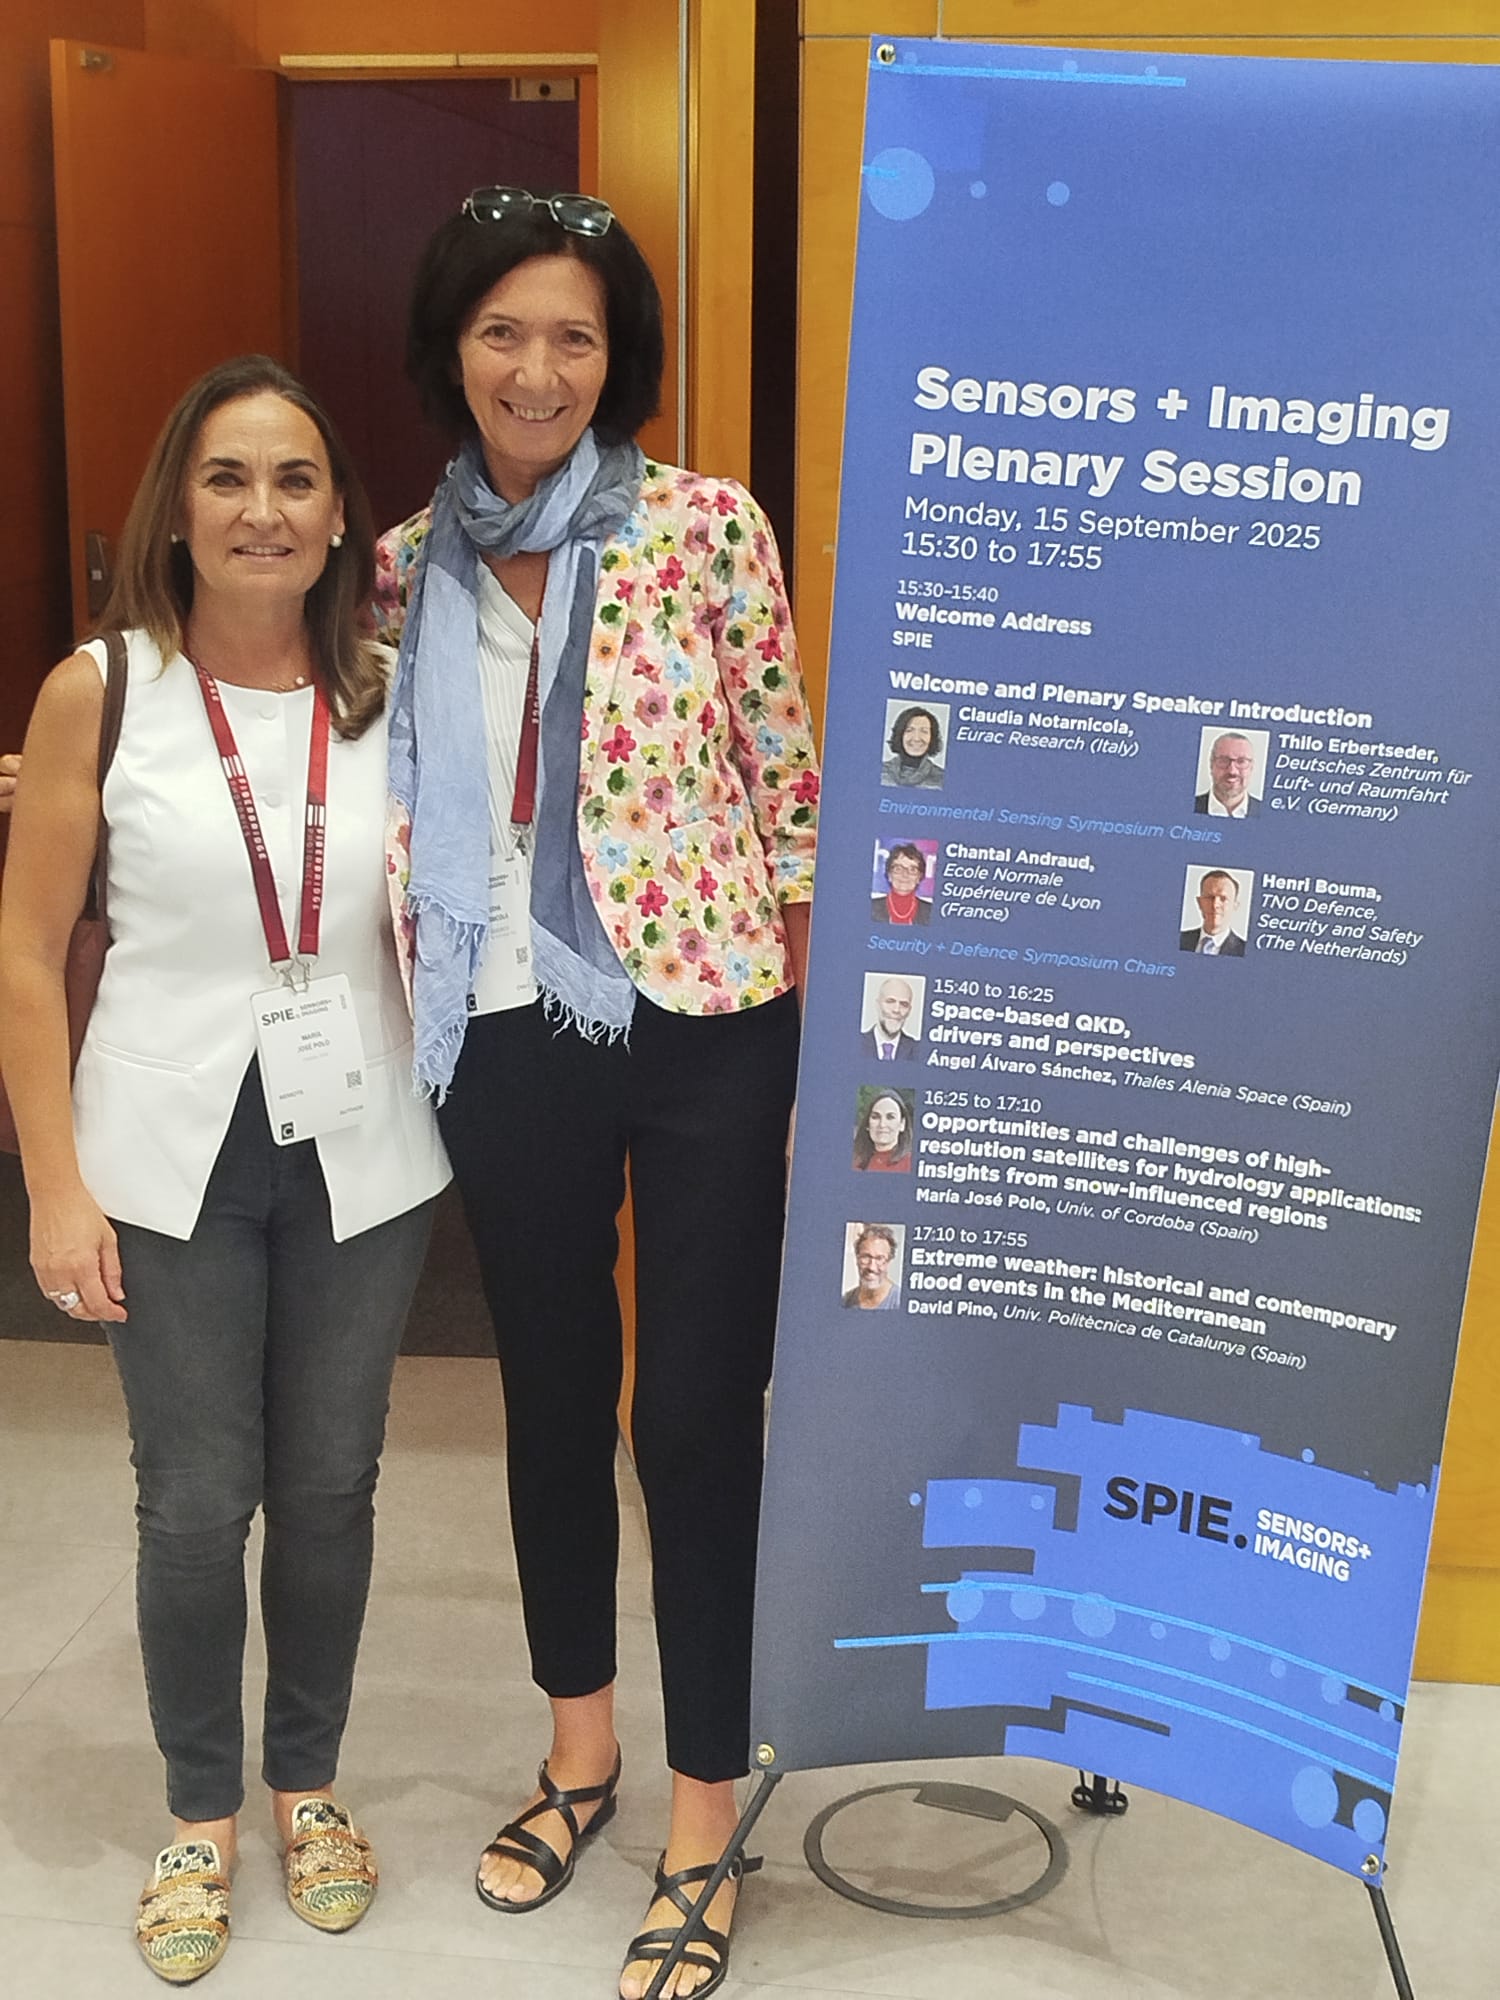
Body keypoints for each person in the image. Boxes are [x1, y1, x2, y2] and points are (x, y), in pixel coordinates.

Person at [375, 188, 818, 1999]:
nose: (538, 369)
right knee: (551, 1401)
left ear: (617, 355)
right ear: (452, 350)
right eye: (503, 332)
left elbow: (784, 793)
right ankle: (579, 1755)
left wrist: (806, 1052)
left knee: (696, 1417)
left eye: (573, 336)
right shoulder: (406, 562)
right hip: (501, 1027)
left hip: (706, 1015)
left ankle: (704, 1811)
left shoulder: (707, 528)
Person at [0, 358, 450, 1986]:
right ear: (176, 511)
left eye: (297, 482)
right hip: (161, 1148)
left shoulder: (403, 695)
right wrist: (53, 1183)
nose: (264, 512)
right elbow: (28, 950)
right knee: (196, 1501)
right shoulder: (98, 690)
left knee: (331, 1485)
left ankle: (305, 1785)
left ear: (344, 522)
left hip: (362, 1143)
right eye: (228, 480)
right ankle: (201, 1813)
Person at [1181, 869, 1248, 955]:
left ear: (1235, 906)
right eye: (1209, 897)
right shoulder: (1178, 939)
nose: (1215, 905)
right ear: (1199, 902)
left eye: (1223, 898)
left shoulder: (1244, 951)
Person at [1195, 732, 1262, 816]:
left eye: (1241, 761)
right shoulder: (1189, 805)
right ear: (1211, 764)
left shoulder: (1265, 811)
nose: (1232, 771)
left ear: (1251, 767)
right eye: (1223, 760)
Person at [882, 705, 944, 788]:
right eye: (909, 730)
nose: (917, 738)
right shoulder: (880, 771)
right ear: (900, 735)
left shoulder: (942, 778)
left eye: (924, 731)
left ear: (932, 737)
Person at [841, 1224, 902, 1309]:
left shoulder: (899, 1301)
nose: (871, 1267)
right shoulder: (846, 1301)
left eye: (879, 1259)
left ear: (888, 1261)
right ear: (857, 1259)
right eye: (866, 1257)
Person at [861, 975, 921, 1060]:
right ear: (877, 1005)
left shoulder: (918, 1050)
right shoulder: (856, 1042)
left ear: (909, 1010)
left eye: (904, 1004)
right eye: (890, 1001)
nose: (896, 1010)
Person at [871, 842, 931, 925]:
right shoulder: (871, 908)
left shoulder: (931, 912)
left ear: (919, 877)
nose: (905, 874)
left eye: (912, 869)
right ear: (889, 875)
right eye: (898, 868)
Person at [853, 1089, 913, 1172]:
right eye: (875, 1117)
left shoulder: (911, 1165)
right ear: (867, 1124)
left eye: (890, 1117)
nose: (882, 1124)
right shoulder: (854, 1162)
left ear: (902, 1124)